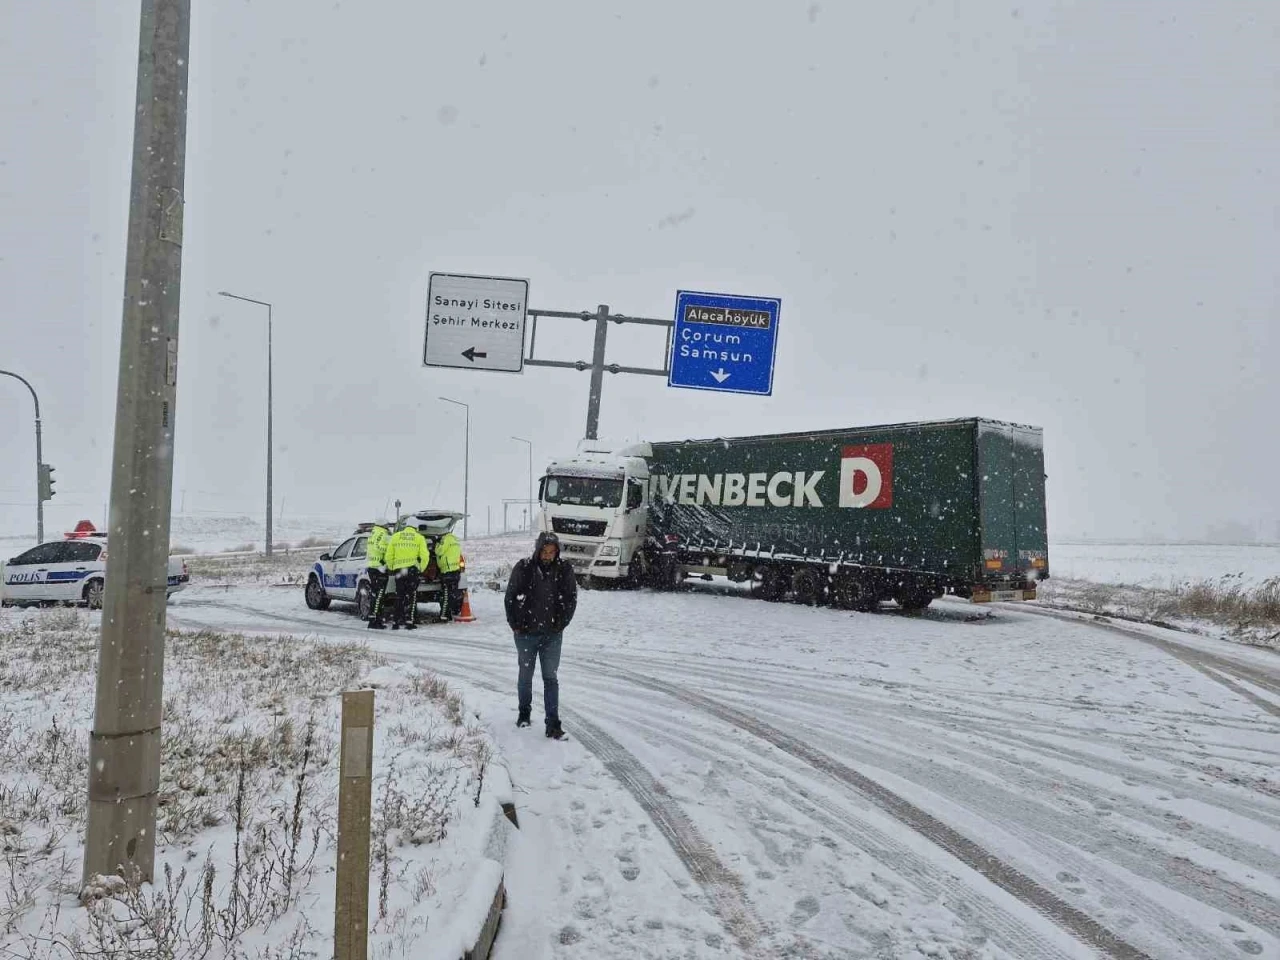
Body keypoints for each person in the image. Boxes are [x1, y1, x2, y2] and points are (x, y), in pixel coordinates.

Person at [504, 532, 578, 738]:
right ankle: (524, 714)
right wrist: (516, 625)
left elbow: (571, 599)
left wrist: (561, 623)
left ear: (557, 552)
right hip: (525, 634)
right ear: (537, 550)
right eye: (544, 552)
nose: (548, 556)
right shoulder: (524, 567)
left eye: (552, 552)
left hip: (552, 635)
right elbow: (510, 597)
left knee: (550, 678)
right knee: (525, 676)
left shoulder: (564, 570)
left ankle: (553, 724)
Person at [385, 521, 430, 630]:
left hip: (399, 571)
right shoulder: (419, 537)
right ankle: (409, 621)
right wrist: (420, 569)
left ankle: (396, 621)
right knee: (411, 595)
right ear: (415, 528)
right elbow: (425, 556)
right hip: (412, 571)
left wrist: (392, 567)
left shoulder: (395, 537)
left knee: (399, 595)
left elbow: (388, 555)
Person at [364, 519, 393, 630]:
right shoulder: (382, 533)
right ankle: (375, 621)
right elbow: (379, 547)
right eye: (387, 525)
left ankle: (374, 618)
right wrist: (389, 549)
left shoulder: (373, 533)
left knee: (375, 594)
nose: (388, 527)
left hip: (372, 567)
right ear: (384, 525)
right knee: (379, 595)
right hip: (379, 567)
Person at [435, 528, 464, 621]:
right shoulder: (455, 539)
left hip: (447, 571)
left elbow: (439, 551)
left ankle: (444, 616)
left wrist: (436, 545)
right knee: (453, 594)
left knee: (446, 595)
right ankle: (451, 613)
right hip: (456, 570)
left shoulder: (445, 539)